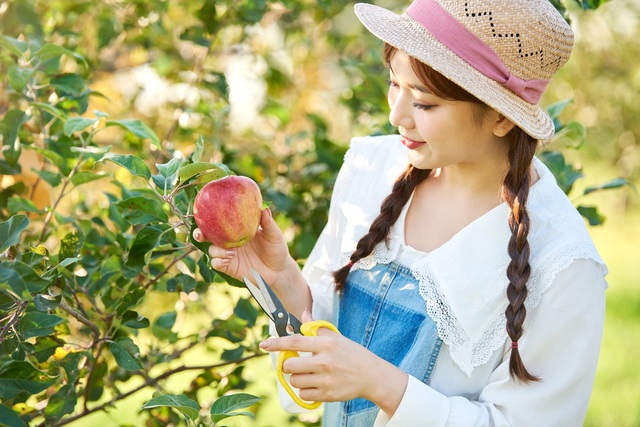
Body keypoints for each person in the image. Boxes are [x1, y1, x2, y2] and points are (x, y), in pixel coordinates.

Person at [194, 0, 608, 425]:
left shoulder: (562, 264)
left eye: (425, 104)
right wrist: (281, 279)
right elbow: (328, 348)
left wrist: (380, 383)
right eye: (395, 84)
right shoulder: (370, 169)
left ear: (502, 117)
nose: (396, 115)